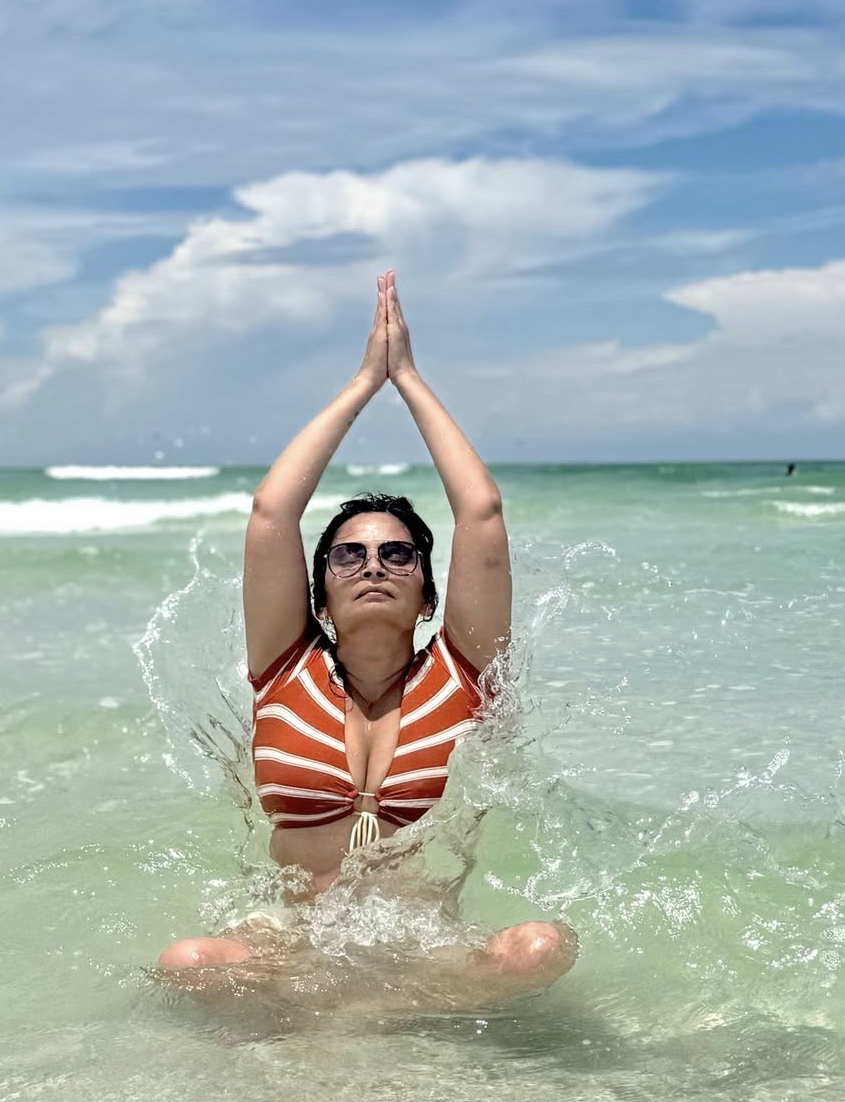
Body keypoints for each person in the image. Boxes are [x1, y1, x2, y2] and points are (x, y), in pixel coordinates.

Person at [158, 272, 576, 991]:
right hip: (293, 942)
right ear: (320, 598)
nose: (374, 565)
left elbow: (480, 514)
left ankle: (395, 1030)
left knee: (541, 948)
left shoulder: (461, 672)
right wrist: (361, 384)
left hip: (421, 952)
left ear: (426, 596)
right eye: (349, 555)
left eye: (398, 554)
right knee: (186, 965)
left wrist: (408, 378)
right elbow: (269, 516)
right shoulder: (283, 669)